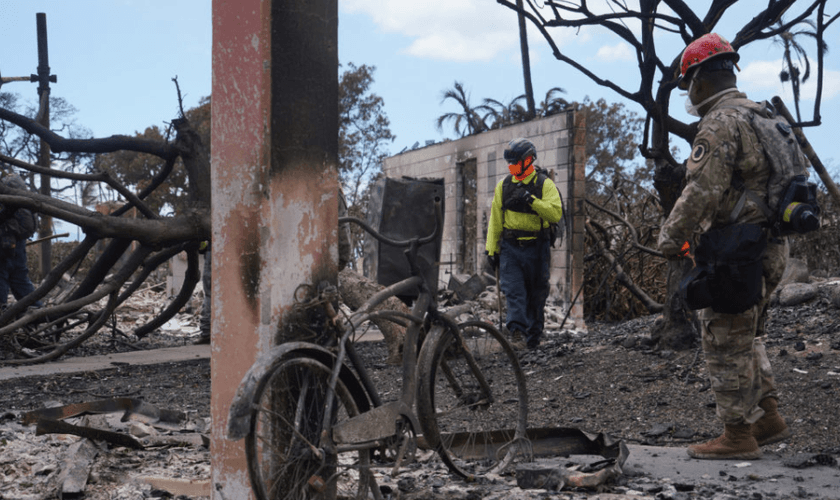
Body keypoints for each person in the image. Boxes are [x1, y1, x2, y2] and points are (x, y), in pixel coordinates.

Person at [658, 33, 792, 460]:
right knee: (749, 335)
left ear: (699, 80)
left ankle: (737, 434)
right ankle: (767, 416)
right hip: (773, 247)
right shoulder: (763, 115)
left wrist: (669, 237)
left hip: (738, 249)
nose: (689, 94)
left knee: (722, 335)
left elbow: (701, 190)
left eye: (688, 84)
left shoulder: (719, 123)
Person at [485, 138, 563, 350]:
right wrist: (491, 249)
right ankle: (517, 334)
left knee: (536, 293)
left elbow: (555, 213)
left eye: (515, 162)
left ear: (528, 160)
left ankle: (534, 338)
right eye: (509, 163)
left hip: (537, 248)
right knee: (514, 291)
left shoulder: (544, 185)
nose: (511, 167)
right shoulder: (504, 186)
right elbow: (495, 220)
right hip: (511, 248)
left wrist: (531, 200)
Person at [0, 169, 41, 308]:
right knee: (20, 278)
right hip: (19, 243)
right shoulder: (24, 197)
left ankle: (1, 311)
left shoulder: (6, 199)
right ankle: (37, 309)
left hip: (4, 243)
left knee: (2, 275)